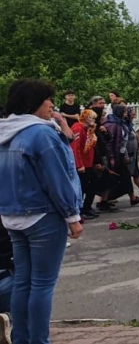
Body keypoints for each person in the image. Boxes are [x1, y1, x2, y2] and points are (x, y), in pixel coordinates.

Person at [0, 79, 84, 344]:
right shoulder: (41, 133)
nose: (52, 104)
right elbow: (56, 178)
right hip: (42, 216)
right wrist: (72, 216)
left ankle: (22, 339)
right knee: (42, 284)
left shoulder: (4, 131)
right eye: (48, 99)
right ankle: (39, 340)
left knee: (23, 281)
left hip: (11, 216)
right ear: (34, 102)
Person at [70, 109, 103, 220]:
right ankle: (82, 210)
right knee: (83, 188)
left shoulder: (87, 129)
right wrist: (79, 165)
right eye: (92, 118)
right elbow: (75, 148)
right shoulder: (78, 129)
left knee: (92, 186)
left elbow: (91, 146)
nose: (94, 120)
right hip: (82, 165)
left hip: (88, 163)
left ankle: (87, 208)